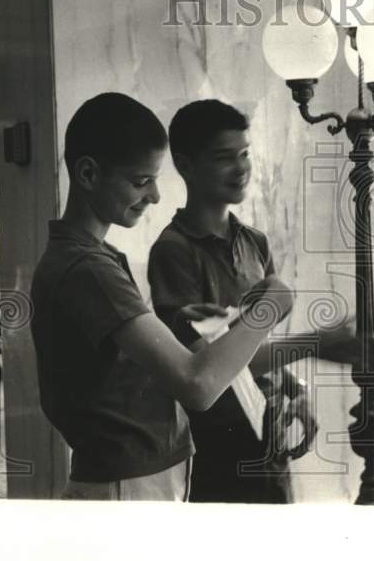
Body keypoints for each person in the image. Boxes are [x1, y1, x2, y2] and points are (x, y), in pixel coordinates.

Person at [30, 92, 294, 501]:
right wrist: (269, 306)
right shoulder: (89, 268)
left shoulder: (95, 258)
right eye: (141, 181)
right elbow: (197, 385)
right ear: (87, 174)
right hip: (127, 482)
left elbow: (117, 364)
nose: (154, 196)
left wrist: (180, 326)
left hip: (140, 474)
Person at [148, 99, 360, 503]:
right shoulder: (172, 252)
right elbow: (211, 365)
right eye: (224, 157)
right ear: (186, 165)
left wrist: (296, 391)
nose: (241, 167)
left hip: (270, 432)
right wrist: (318, 343)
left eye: (244, 153)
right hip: (219, 443)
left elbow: (258, 346)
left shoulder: (254, 243)